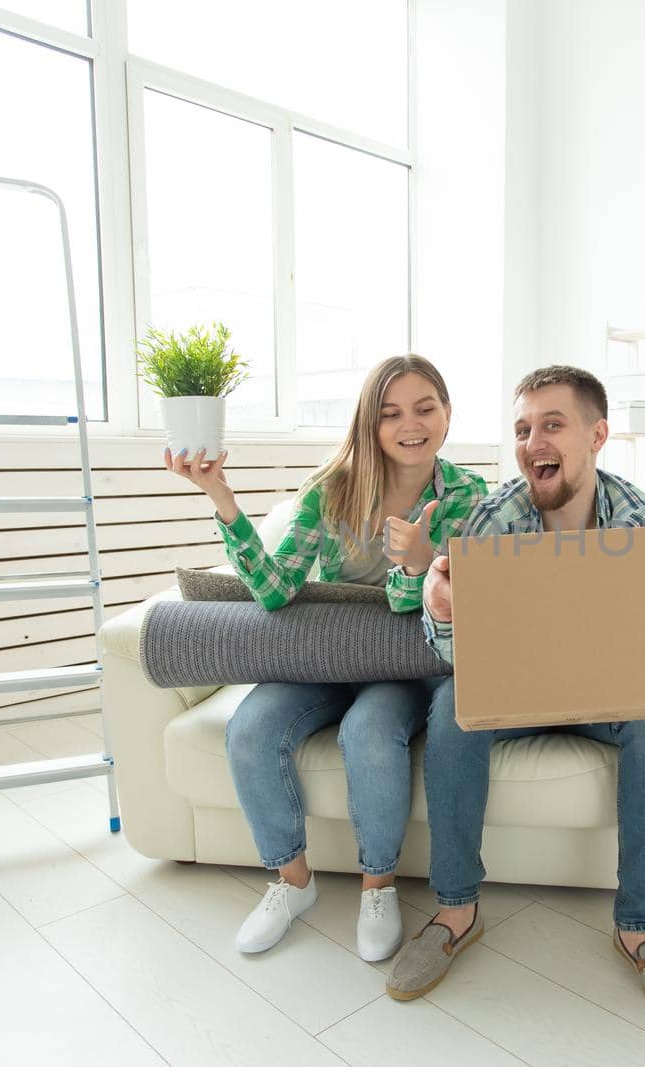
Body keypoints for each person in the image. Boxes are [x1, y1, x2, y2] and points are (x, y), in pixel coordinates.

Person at [385, 365, 645, 1022]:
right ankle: (455, 910)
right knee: (451, 708)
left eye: (552, 425)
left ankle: (640, 927)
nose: (534, 442)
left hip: (609, 699)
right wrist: (441, 608)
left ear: (597, 436)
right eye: (524, 429)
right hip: (517, 696)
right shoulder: (493, 518)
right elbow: (453, 657)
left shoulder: (643, 522)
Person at [165, 354, 487, 961]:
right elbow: (275, 590)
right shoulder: (331, 489)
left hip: (405, 661)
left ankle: (378, 885)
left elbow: (420, 606)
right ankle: (292, 884)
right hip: (326, 656)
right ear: (370, 422)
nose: (409, 424)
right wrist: (222, 498)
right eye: (390, 413)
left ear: (447, 415)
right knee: (251, 732)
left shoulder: (469, 495)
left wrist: (417, 563)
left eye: (425, 408)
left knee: (368, 733)